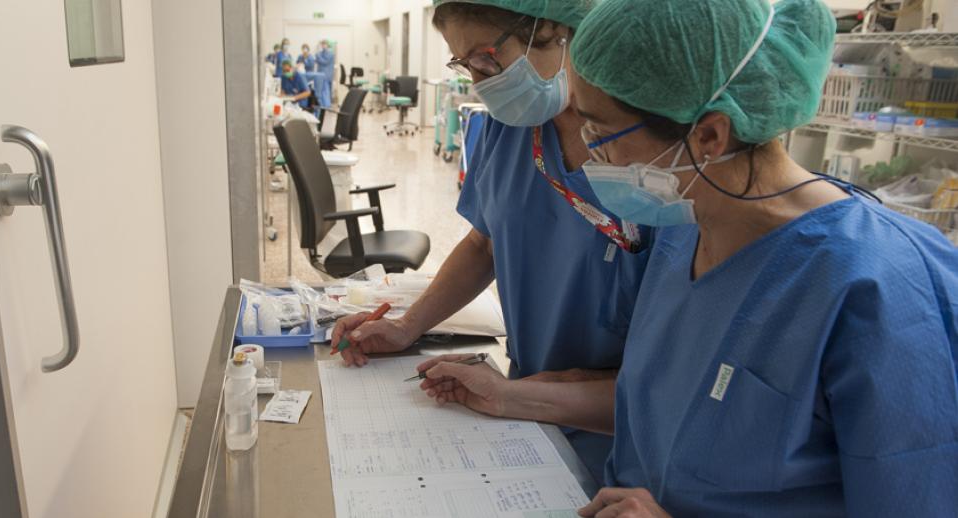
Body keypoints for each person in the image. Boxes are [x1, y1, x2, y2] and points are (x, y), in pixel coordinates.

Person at [420, 0, 958, 516]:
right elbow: (657, 412)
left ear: (708, 135)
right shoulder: (685, 236)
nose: (589, 155)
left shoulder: (881, 289)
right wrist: (507, 398)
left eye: (600, 133)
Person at [330, 0, 651, 486]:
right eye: (465, 64)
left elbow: (673, 379)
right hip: (521, 400)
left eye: (486, 57)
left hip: (619, 430)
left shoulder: (654, 158)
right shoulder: (511, 127)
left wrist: (524, 396)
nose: (480, 82)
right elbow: (485, 244)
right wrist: (406, 327)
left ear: (558, 30)